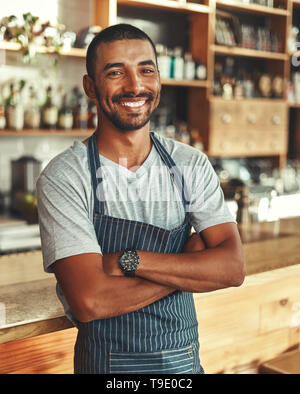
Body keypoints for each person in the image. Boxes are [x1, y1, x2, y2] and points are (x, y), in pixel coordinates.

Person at [36, 23, 245, 375]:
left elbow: (232, 268)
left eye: (146, 70)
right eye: (116, 72)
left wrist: (128, 261)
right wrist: (185, 264)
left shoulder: (189, 164)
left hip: (184, 365)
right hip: (107, 369)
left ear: (159, 80)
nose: (135, 86)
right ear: (90, 86)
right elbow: (90, 300)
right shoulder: (65, 177)